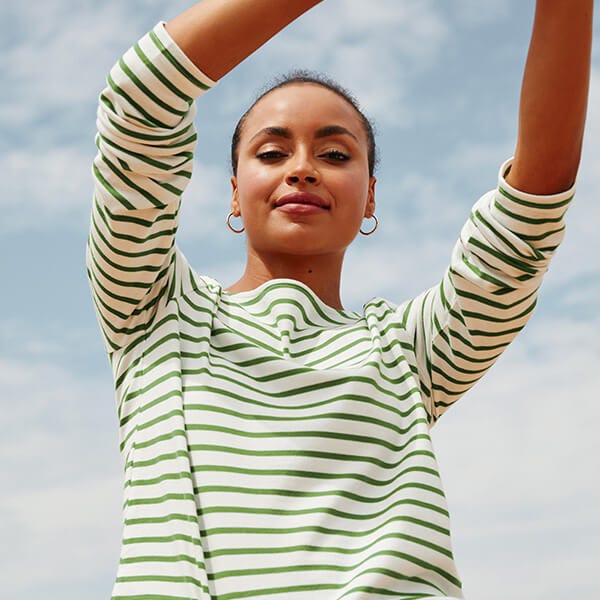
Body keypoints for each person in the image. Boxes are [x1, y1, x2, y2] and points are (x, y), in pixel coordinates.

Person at [87, 1, 593, 598]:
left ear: (370, 196)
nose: (302, 169)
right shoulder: (154, 311)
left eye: (334, 154)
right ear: (232, 194)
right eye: (272, 153)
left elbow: (531, 209)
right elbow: (141, 96)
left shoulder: (410, 352)